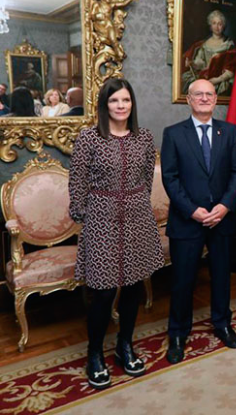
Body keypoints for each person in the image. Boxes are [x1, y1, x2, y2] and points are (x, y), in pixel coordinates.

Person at [68, 78, 165, 390]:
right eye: (114, 101)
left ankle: (125, 346)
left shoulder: (144, 137)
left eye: (125, 100)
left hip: (137, 218)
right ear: (104, 105)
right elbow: (78, 180)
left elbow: (148, 176)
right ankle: (94, 354)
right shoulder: (89, 138)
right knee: (105, 291)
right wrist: (85, 213)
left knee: (135, 287)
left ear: (132, 104)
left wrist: (136, 201)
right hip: (101, 218)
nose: (121, 106)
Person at [161, 78, 236, 364]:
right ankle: (177, 333)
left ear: (215, 99)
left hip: (222, 219)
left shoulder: (229, 131)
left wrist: (224, 206)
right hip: (187, 219)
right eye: (199, 94)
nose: (205, 98)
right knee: (183, 280)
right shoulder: (173, 134)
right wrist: (192, 210)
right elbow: (169, 178)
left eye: (210, 94)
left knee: (221, 276)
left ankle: (222, 323)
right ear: (189, 99)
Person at [181, 10, 236, 96]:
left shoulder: (229, 45)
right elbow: (200, 63)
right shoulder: (205, 44)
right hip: (205, 75)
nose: (217, 27)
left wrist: (217, 80)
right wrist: (192, 63)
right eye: (214, 23)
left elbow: (231, 69)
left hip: (221, 78)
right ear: (210, 25)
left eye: (220, 24)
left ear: (223, 26)